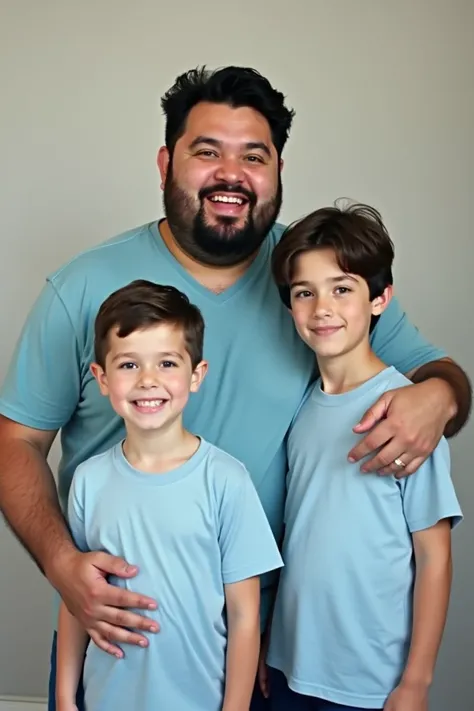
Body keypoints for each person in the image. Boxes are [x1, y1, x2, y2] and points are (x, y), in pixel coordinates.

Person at [0, 66, 470, 711]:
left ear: (277, 171)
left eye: (254, 156)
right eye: (206, 152)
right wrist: (61, 565)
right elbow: (16, 442)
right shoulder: (82, 287)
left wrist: (439, 398)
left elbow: (437, 374)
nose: (231, 174)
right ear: (167, 162)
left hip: (273, 634)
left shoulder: (309, 276)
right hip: (122, 624)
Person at [258, 202, 463, 711]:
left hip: (368, 679)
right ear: (290, 308)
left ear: (380, 299)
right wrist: (268, 640)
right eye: (305, 292)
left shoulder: (407, 416)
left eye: (342, 288)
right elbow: (298, 535)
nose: (322, 307)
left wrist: (416, 681)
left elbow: (433, 557)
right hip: (287, 664)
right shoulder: (299, 406)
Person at [55, 279, 283, 711]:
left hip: (199, 700)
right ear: (101, 378)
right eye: (128, 366)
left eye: (166, 363)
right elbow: (76, 598)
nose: (147, 381)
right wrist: (66, 699)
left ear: (196, 375)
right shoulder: (88, 481)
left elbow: (244, 617)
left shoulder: (226, 480)